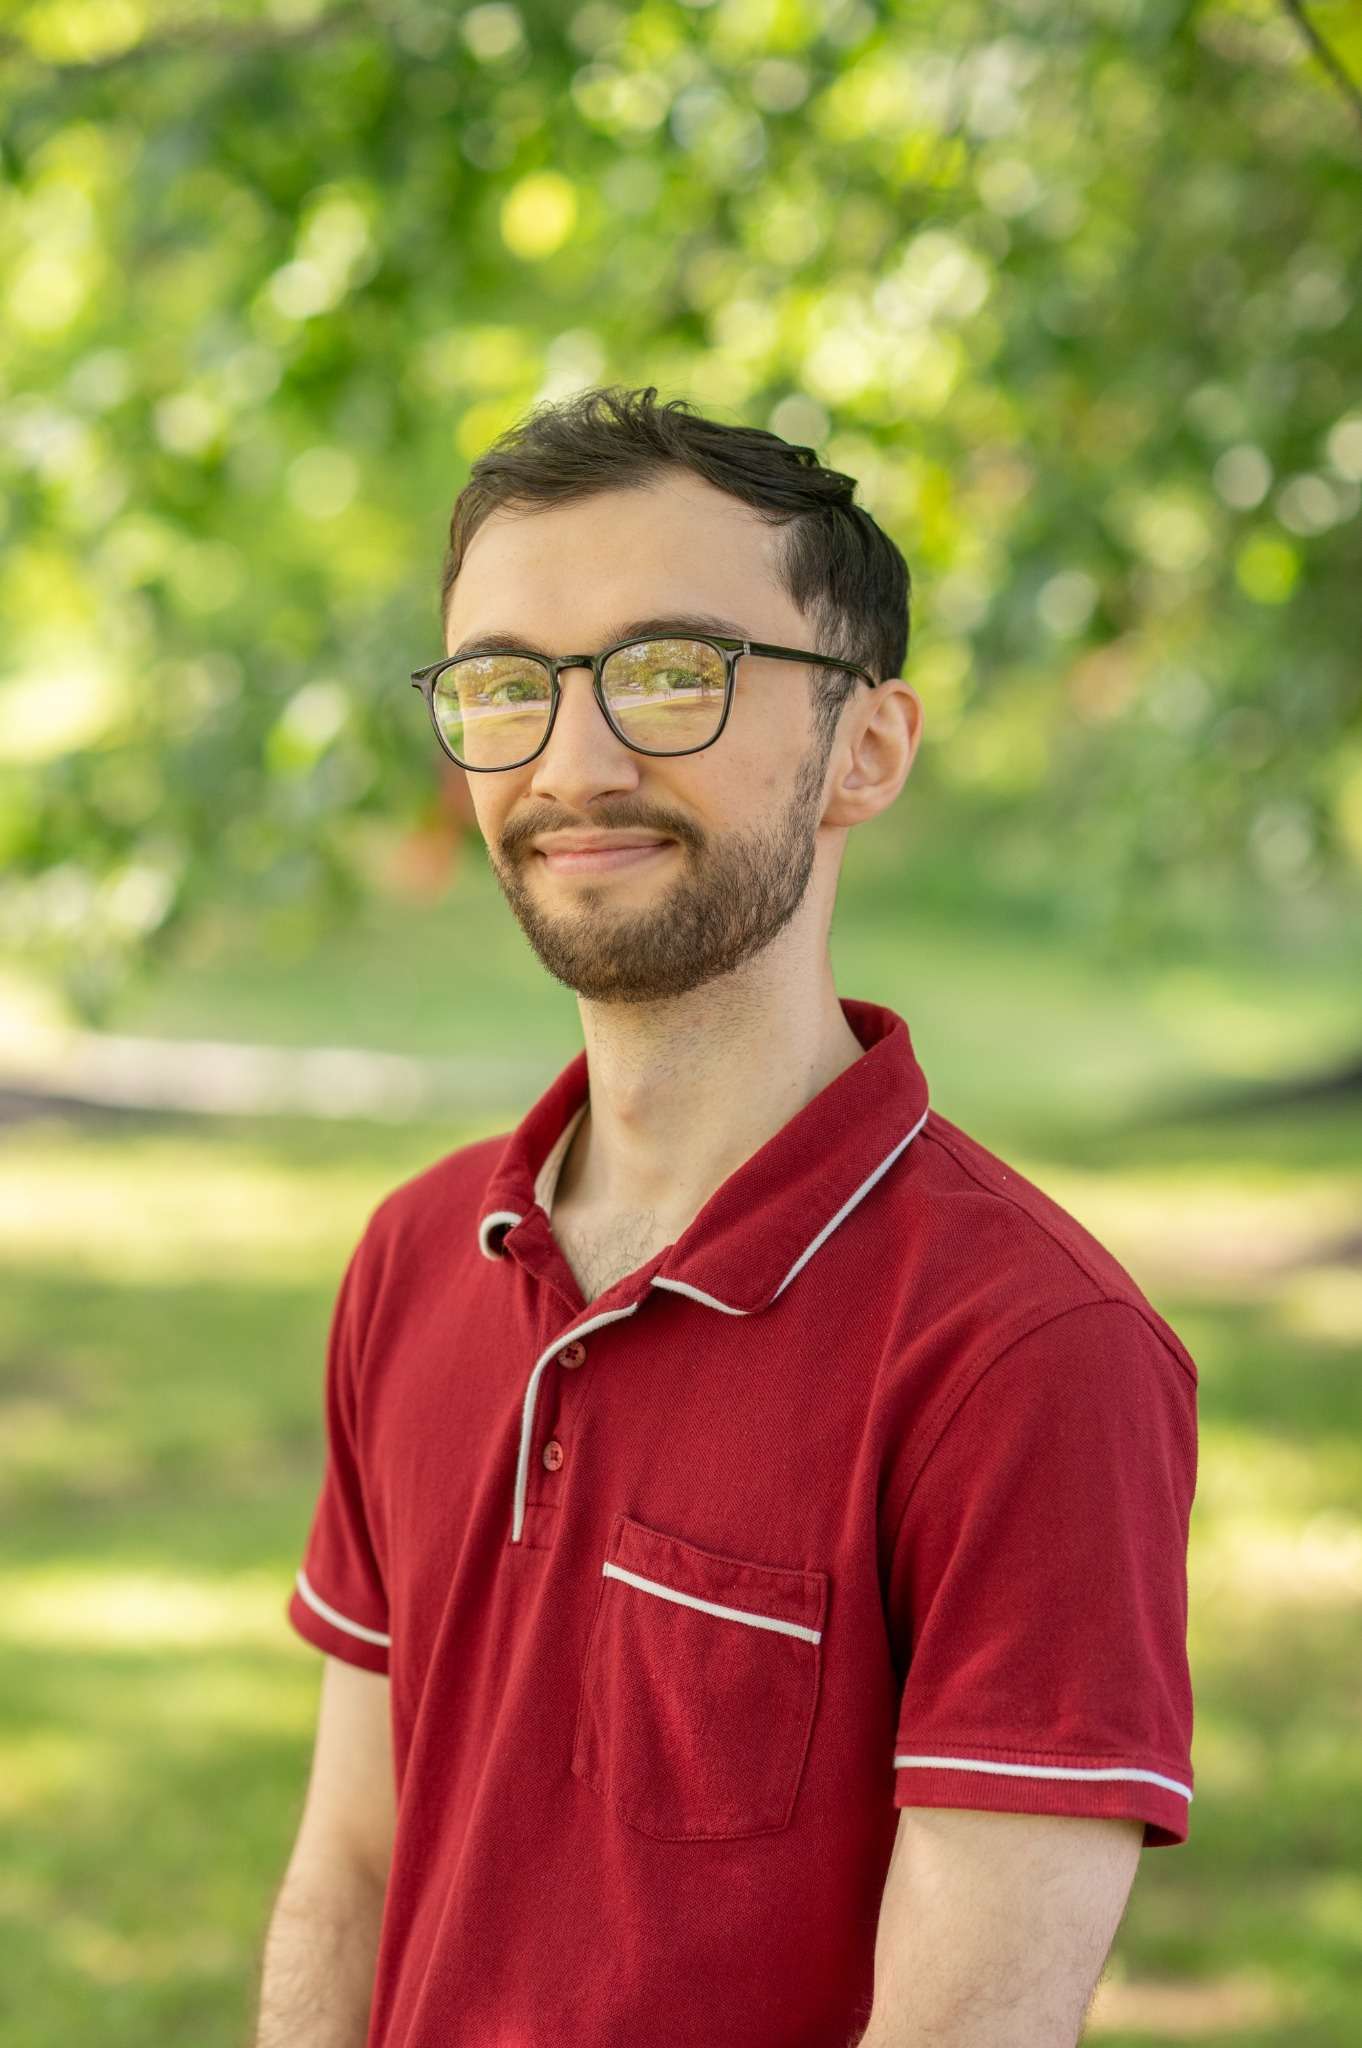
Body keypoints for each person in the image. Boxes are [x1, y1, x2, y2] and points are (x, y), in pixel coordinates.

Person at [255, 386, 1198, 2048]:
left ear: (867, 749)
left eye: (670, 674)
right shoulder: (417, 1256)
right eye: (504, 686)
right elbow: (345, 1871)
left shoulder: (1032, 1353)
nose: (573, 759)